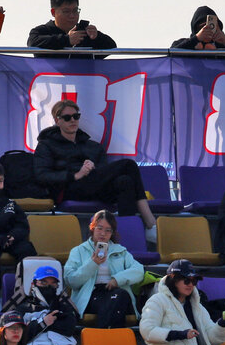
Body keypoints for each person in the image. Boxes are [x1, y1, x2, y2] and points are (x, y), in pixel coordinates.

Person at [33, 102, 157, 241]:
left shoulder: (93, 146)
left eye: (76, 116)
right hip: (69, 189)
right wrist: (75, 175)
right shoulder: (46, 145)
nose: (73, 120)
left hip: (94, 187)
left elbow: (104, 173)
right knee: (128, 164)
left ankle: (126, 237)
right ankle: (150, 222)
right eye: (67, 118)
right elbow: (41, 176)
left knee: (125, 182)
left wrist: (93, 168)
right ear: (57, 121)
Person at [6, 263, 95, 345]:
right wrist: (43, 323)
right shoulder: (23, 309)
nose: (48, 286)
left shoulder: (64, 305)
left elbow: (69, 328)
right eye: (43, 283)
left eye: (53, 283)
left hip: (64, 344)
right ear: (33, 284)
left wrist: (46, 324)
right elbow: (20, 335)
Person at [63, 210, 142, 329]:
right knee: (117, 299)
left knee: (119, 296)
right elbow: (71, 281)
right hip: (90, 295)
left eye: (108, 230)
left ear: (112, 233)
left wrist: (117, 280)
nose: (103, 234)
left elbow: (139, 271)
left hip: (116, 291)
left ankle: (103, 337)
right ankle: (110, 337)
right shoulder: (78, 251)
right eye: (99, 228)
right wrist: (92, 263)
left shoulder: (120, 251)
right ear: (92, 228)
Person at [27, 0, 116, 56]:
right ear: (53, 12)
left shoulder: (84, 34)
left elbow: (112, 47)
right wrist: (67, 40)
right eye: (66, 11)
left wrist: (97, 37)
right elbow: (32, 43)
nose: (72, 16)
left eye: (75, 11)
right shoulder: (41, 31)